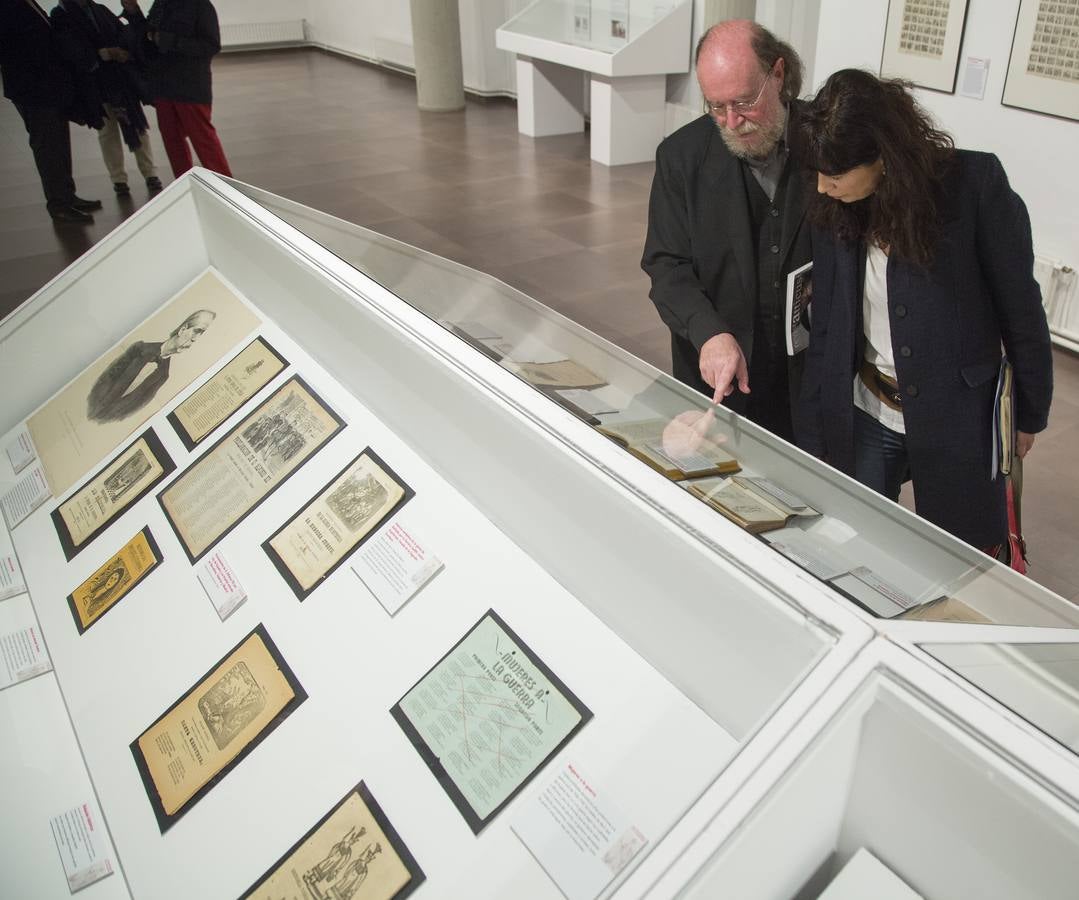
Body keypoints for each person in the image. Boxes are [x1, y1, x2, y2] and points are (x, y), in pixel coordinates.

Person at [793, 69, 1053, 551]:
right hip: (870, 405)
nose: (824, 188)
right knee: (860, 538)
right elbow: (827, 322)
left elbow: (1021, 307)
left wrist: (1028, 414)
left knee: (957, 555)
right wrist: (816, 423)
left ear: (883, 157)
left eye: (835, 176)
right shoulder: (836, 205)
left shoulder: (975, 188)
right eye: (818, 175)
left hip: (957, 416)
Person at [641, 19, 812, 442]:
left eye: (744, 102)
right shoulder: (680, 158)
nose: (732, 122)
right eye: (717, 106)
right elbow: (667, 266)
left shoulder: (824, 141)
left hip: (807, 376)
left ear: (777, 74)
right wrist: (709, 332)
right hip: (723, 377)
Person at [0, 0, 102, 223]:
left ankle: (67, 195)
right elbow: (15, 47)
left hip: (47, 87)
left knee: (59, 144)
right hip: (33, 89)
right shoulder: (8, 6)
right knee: (48, 147)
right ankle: (59, 204)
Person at [50, 0, 163, 196]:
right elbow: (69, 47)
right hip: (95, 84)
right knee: (107, 131)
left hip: (119, 81)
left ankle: (150, 173)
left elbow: (122, 34)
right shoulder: (62, 15)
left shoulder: (99, 10)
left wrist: (123, 52)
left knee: (136, 126)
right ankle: (119, 179)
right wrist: (103, 54)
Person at [120, 0, 232, 179]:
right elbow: (147, 38)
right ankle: (184, 186)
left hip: (190, 86)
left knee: (203, 140)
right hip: (162, 86)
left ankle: (228, 190)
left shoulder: (200, 5)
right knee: (172, 142)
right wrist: (134, 13)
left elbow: (211, 45)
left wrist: (169, 41)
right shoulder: (161, 4)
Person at [86, 308, 216, 422]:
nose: (195, 339)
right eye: (197, 330)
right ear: (183, 329)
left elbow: (134, 407)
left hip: (107, 420)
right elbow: (106, 377)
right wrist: (94, 406)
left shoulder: (164, 375)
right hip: (92, 406)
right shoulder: (140, 347)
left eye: (201, 334)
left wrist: (107, 418)